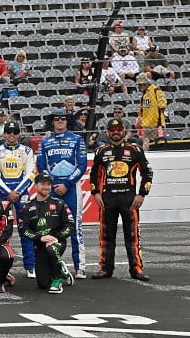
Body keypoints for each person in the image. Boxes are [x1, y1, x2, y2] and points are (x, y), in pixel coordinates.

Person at [89, 119, 153, 281]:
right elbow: (93, 175)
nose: (116, 132)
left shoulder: (135, 149)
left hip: (129, 200)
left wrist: (142, 194)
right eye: (112, 129)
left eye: (118, 129)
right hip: (108, 200)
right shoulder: (101, 151)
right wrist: (95, 193)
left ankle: (136, 269)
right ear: (108, 132)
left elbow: (147, 173)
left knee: (132, 236)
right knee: (106, 236)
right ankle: (105, 268)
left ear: (123, 130)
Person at [36, 109, 88, 279]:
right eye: (57, 119)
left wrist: (66, 184)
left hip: (71, 188)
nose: (60, 121)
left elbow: (81, 165)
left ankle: (80, 266)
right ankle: (52, 266)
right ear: (52, 121)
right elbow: (41, 165)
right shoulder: (45, 142)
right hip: (52, 189)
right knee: (49, 228)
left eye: (63, 119)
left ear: (67, 121)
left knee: (75, 227)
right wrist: (50, 184)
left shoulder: (77, 139)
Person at [0, 121, 37, 278]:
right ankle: (3, 267)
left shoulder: (27, 151)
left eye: (15, 131)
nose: (11, 134)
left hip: (21, 194)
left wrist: (18, 191)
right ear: (4, 133)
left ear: (19, 134)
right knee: (1, 230)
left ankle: (30, 265)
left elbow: (31, 174)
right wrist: (8, 191)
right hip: (3, 194)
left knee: (26, 229)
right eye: (8, 131)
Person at [19, 173, 75, 294]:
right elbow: (23, 229)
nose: (46, 187)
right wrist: (40, 237)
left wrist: (56, 237)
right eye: (43, 184)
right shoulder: (27, 207)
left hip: (57, 242)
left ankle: (57, 280)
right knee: (43, 284)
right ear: (36, 186)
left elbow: (70, 225)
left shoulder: (59, 204)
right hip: (39, 245)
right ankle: (61, 269)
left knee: (51, 249)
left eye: (49, 184)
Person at [137, 73, 167, 151]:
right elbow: (145, 108)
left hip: (154, 121)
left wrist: (159, 116)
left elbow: (162, 103)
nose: (139, 87)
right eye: (139, 85)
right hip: (146, 122)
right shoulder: (145, 93)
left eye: (141, 85)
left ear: (146, 83)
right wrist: (140, 117)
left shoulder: (155, 89)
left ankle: (145, 156)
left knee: (149, 142)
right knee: (147, 141)